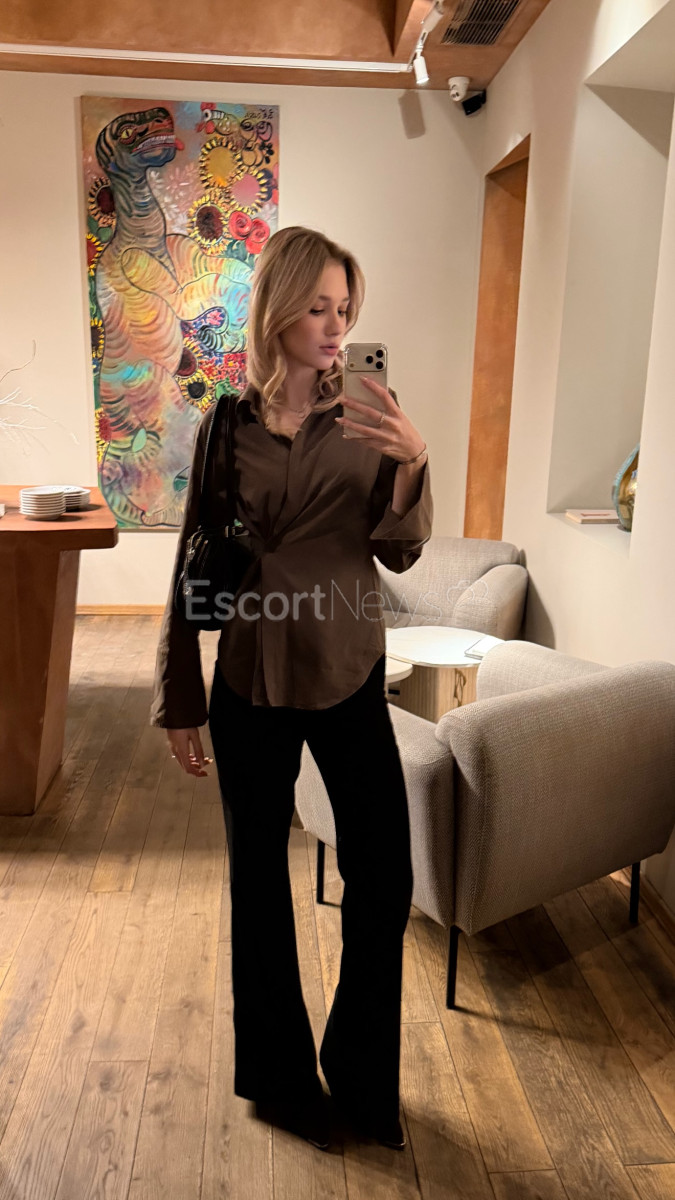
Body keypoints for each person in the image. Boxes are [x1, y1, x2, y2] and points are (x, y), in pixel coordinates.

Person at [151, 226, 433, 1151]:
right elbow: (194, 557)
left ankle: (360, 1077)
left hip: (346, 666)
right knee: (258, 882)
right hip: (249, 675)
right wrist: (180, 696)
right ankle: (278, 1080)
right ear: (277, 310)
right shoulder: (226, 424)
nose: (334, 326)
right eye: (317, 307)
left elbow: (398, 549)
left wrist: (412, 463)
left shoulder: (371, 415)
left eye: (344, 309)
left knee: (382, 876)